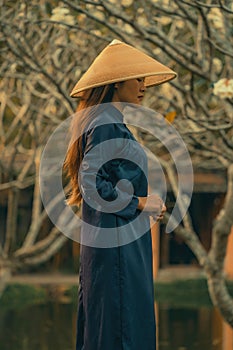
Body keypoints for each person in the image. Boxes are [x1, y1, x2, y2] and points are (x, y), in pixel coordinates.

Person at [64, 39, 176, 350]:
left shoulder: (109, 122)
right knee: (119, 329)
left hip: (117, 241)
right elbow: (91, 184)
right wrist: (141, 202)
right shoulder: (105, 124)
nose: (143, 86)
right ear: (116, 83)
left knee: (111, 326)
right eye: (137, 78)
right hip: (116, 247)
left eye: (144, 79)